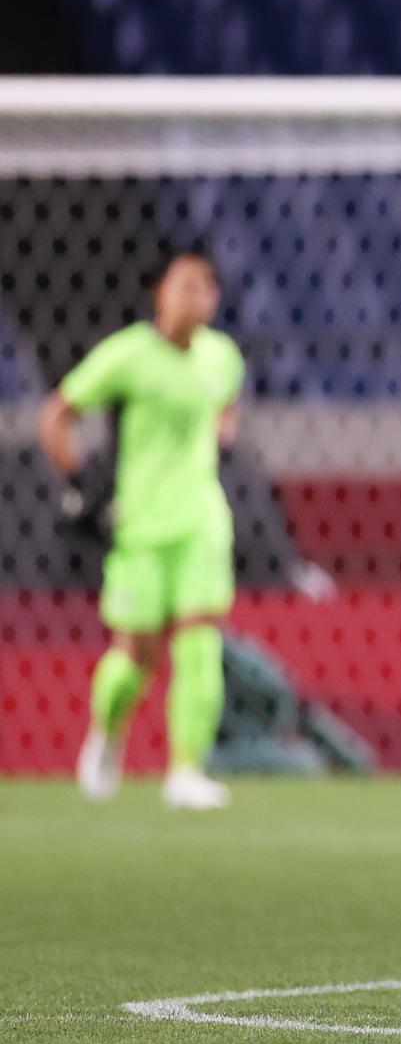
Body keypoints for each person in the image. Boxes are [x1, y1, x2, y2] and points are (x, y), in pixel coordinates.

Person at [39, 247, 244, 810]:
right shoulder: (128, 355)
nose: (197, 294)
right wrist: (80, 485)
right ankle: (106, 735)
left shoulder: (222, 356)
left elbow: (224, 412)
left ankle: (186, 769)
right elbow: (58, 415)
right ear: (160, 293)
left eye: (207, 285)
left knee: (200, 637)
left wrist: (219, 434)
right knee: (136, 654)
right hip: (139, 527)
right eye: (185, 284)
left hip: (200, 521)